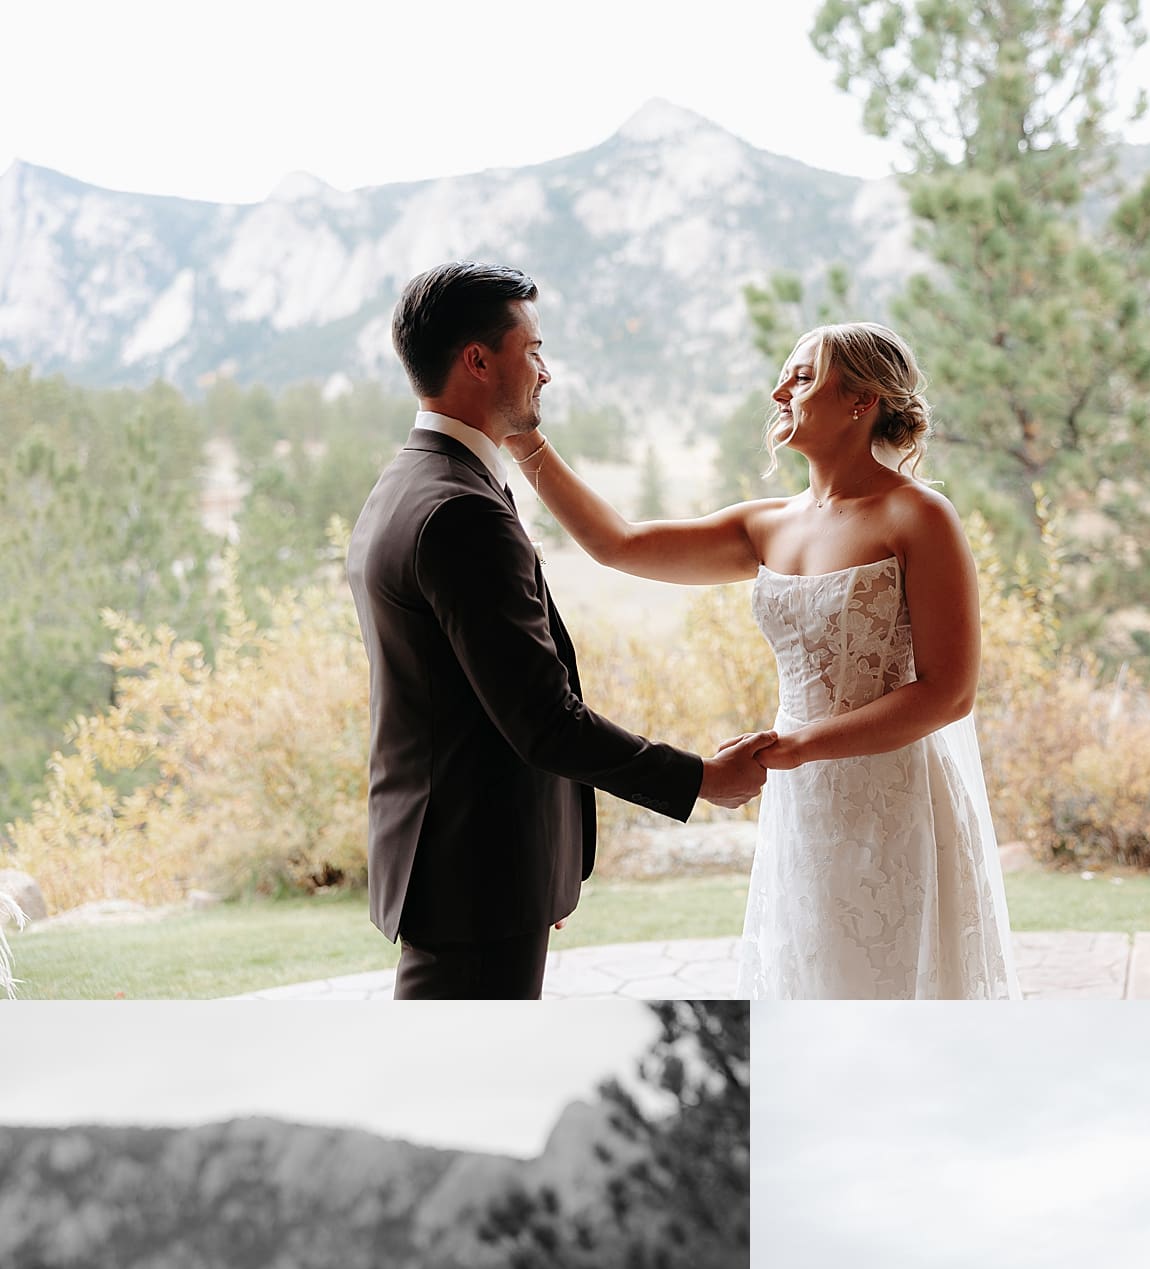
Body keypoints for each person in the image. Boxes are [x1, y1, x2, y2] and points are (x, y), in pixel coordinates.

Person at [500, 321, 1020, 999]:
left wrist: (801, 745)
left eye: (802, 377)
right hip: (800, 800)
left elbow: (949, 692)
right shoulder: (767, 524)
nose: (779, 390)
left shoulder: (918, 517)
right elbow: (618, 544)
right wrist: (522, 438)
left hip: (895, 797)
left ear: (863, 400)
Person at [347, 263, 771, 1000]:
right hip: (473, 873)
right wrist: (702, 778)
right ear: (478, 361)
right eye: (533, 349)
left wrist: (543, 862)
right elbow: (543, 720)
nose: (547, 371)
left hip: (467, 864)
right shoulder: (460, 511)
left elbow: (461, 700)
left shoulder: (409, 480)